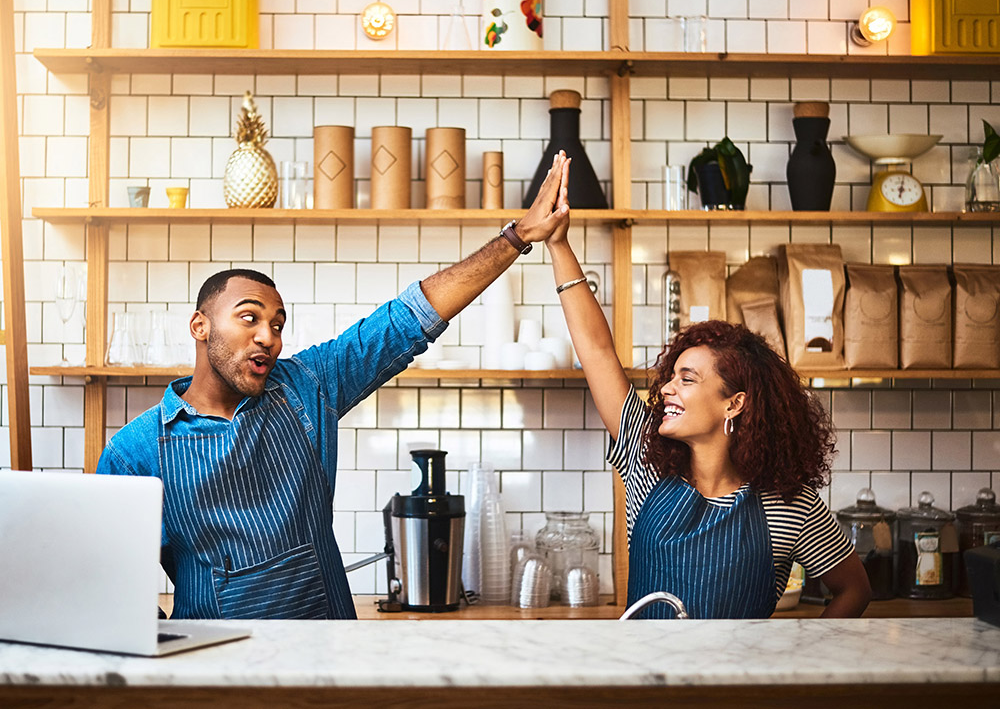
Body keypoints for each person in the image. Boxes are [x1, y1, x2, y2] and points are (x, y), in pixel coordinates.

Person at [97, 153, 573, 621]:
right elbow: (114, 584)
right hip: (216, 678)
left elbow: (408, 319)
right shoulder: (134, 451)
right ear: (200, 326)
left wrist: (517, 237)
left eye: (277, 324)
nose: (268, 336)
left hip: (327, 660)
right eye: (249, 318)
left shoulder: (308, 386)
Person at [544, 180, 871, 619]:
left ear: (733, 404)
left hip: (737, 688)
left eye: (688, 378)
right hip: (644, 683)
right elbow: (597, 350)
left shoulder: (791, 503)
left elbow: (854, 590)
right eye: (671, 376)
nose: (666, 389)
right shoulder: (647, 465)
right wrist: (558, 245)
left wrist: (801, 667)